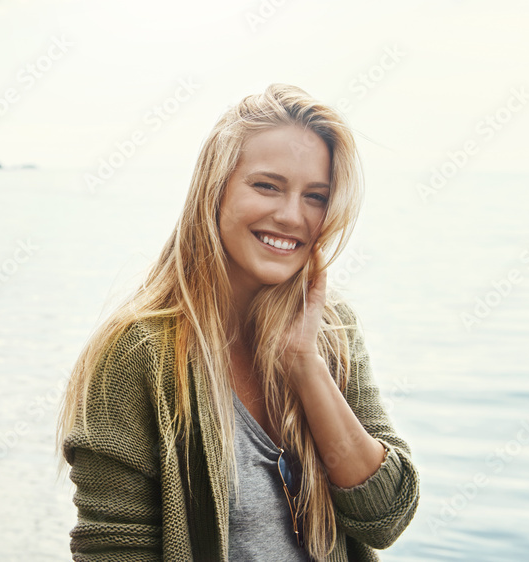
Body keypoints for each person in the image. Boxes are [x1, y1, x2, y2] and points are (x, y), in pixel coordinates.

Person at [54, 84, 420, 561]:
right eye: (267, 185)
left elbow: (385, 517)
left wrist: (305, 364)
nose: (292, 216)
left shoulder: (333, 332)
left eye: (316, 196)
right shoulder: (137, 355)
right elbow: (112, 552)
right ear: (216, 189)